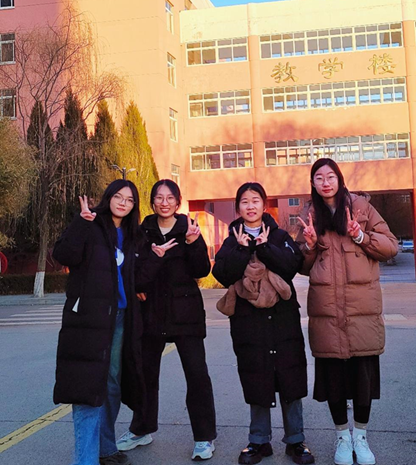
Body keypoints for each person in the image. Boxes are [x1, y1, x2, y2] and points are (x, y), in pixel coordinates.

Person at [297, 158, 398, 465]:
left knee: (363, 379)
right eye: (318, 178)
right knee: (334, 380)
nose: (325, 182)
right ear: (313, 183)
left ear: (339, 179)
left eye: (330, 176)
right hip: (327, 312)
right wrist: (309, 246)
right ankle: (342, 436)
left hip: (361, 310)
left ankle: (361, 437)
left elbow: (391, 247)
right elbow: (301, 266)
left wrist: (360, 236)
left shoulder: (362, 208)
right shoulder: (309, 215)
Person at [213, 182, 314, 465]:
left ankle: (296, 440)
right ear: (238, 207)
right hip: (248, 322)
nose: (250, 206)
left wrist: (265, 247)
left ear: (264, 204)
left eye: (255, 200)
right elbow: (222, 273)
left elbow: (291, 266)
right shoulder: (232, 239)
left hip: (283, 319)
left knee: (290, 376)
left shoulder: (279, 235)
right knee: (256, 376)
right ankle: (258, 441)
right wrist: (242, 249)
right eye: (245, 201)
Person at [117, 179, 217, 461]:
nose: (164, 202)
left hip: (186, 314)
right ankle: (142, 429)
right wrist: (141, 281)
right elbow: (133, 273)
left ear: (178, 201)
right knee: (145, 375)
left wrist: (194, 243)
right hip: (151, 314)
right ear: (152, 202)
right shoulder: (142, 232)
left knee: (197, 375)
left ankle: (204, 437)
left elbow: (201, 270)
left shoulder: (189, 229)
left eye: (170, 197)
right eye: (159, 197)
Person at [53, 180, 144, 465]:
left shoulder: (132, 235)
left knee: (112, 385)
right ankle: (86, 460)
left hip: (120, 317)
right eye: (118, 196)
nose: (123, 203)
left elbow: (138, 276)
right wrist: (80, 223)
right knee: (87, 387)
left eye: (129, 200)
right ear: (108, 197)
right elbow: (63, 255)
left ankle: (106, 448)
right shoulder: (91, 224)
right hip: (90, 318)